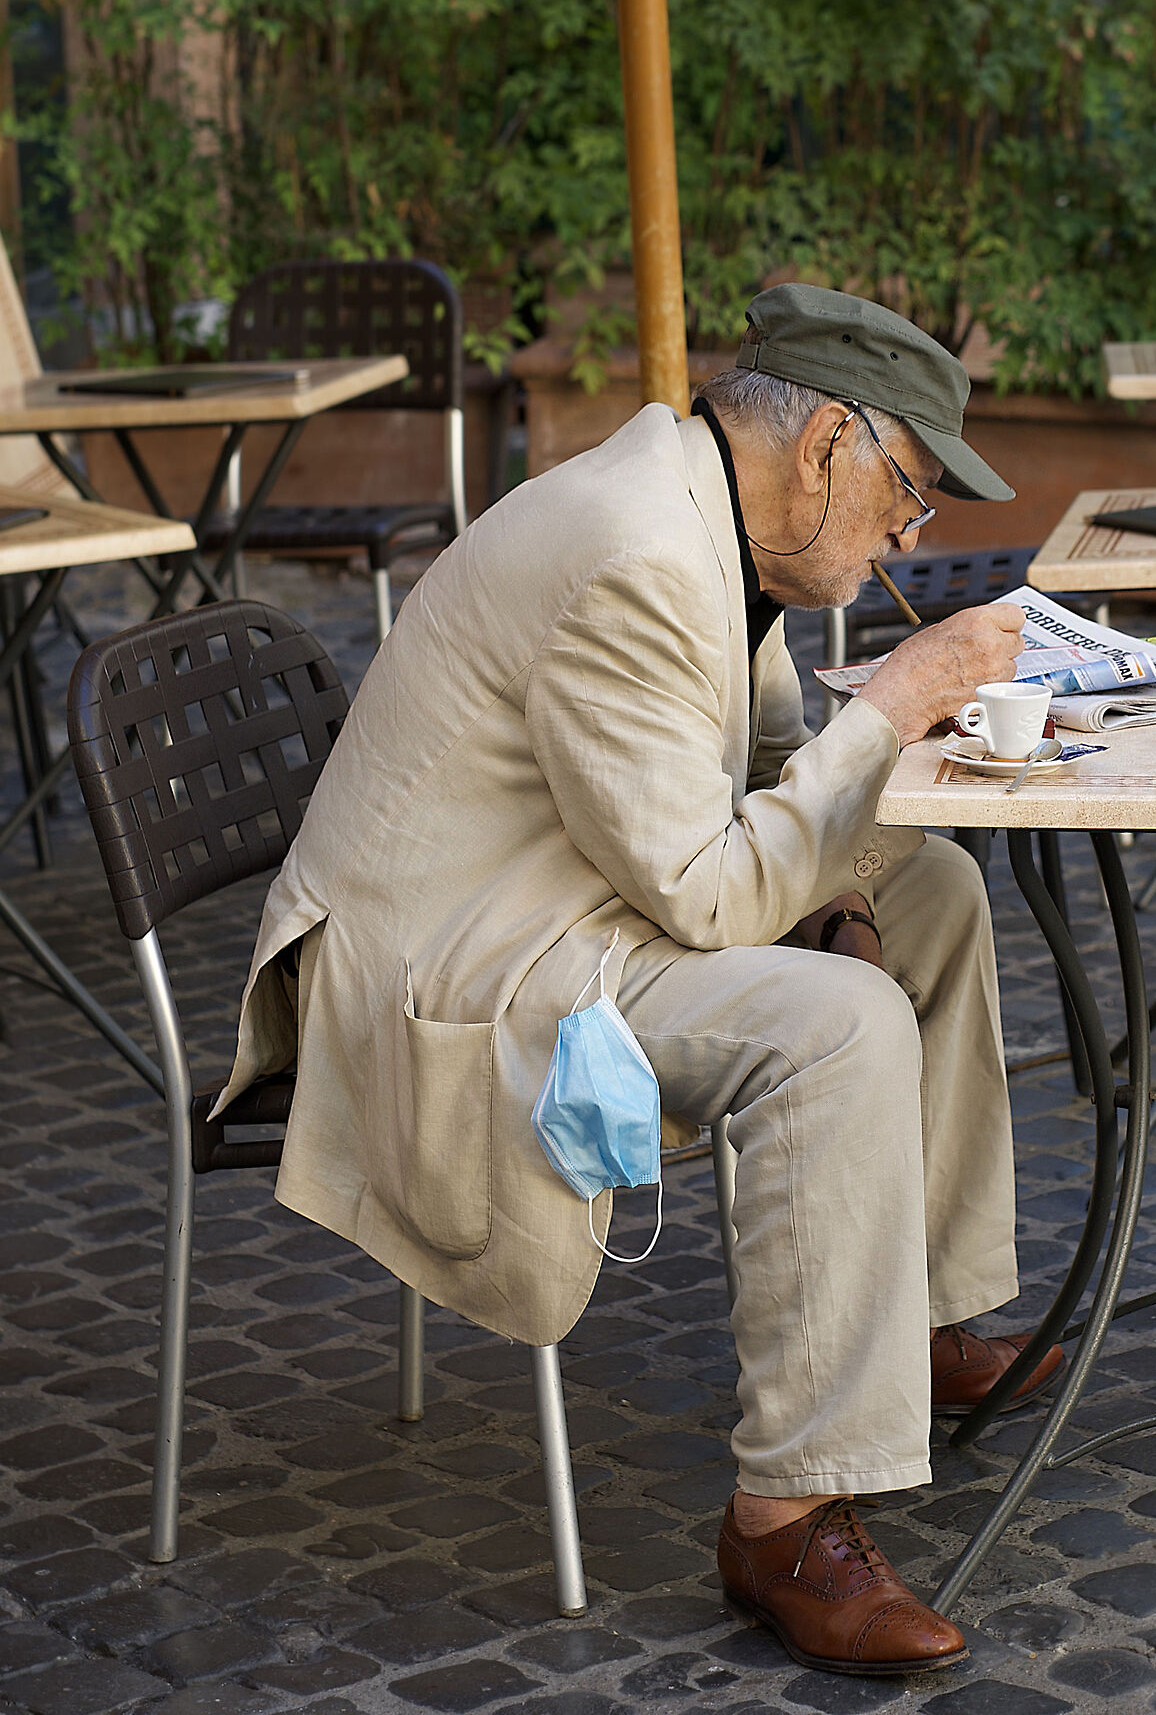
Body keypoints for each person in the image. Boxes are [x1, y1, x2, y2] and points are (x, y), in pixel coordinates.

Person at [219, 284, 1062, 1675]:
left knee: (935, 896)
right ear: (826, 447)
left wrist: (852, 874)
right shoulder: (637, 554)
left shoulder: (720, 517)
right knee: (840, 1023)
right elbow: (714, 891)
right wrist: (897, 706)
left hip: (563, 890)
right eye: (908, 492)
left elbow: (768, 771)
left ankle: (915, 1317)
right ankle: (785, 1521)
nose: (911, 536)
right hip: (457, 970)